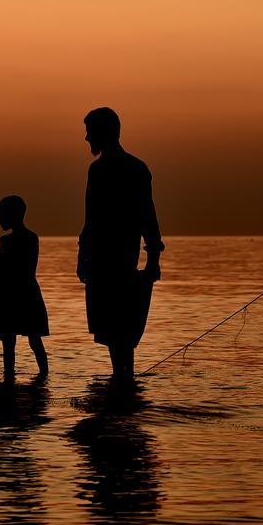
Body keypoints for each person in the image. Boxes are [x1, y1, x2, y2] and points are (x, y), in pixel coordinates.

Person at [78, 107, 164, 380]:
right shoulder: (134, 168)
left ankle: (122, 383)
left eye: (90, 132)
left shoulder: (107, 170)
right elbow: (93, 221)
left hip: (112, 263)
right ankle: (123, 383)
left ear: (103, 133)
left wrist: (153, 260)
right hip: (112, 262)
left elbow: (145, 217)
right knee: (119, 334)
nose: (86, 138)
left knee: (118, 333)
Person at [0, 195, 49, 378]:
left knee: (9, 342)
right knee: (34, 339)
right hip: (29, 292)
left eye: (1, 215)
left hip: (14, 295)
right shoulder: (32, 237)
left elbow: (5, 270)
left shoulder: (6, 241)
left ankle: (9, 377)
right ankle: (44, 376)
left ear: (11, 215)